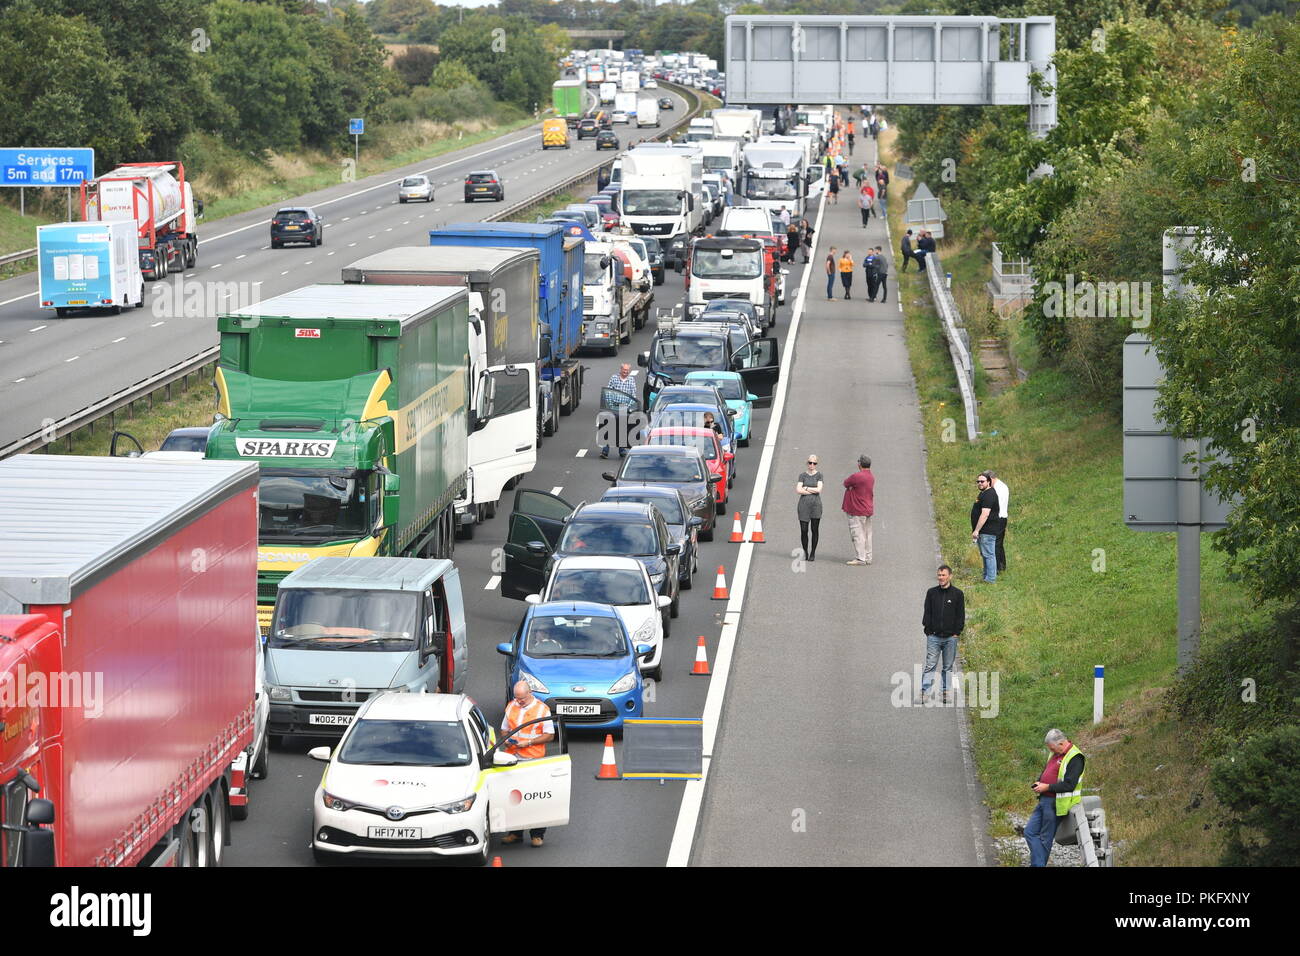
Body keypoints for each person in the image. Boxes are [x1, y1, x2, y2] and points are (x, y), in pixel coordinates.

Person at [500, 679, 556, 848]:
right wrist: (507, 740)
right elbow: (504, 728)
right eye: (517, 698)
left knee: (535, 798)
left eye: (522, 698)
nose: (519, 701)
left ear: (530, 693)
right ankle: (515, 833)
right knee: (514, 798)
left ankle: (537, 835)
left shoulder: (542, 710)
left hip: (533, 760)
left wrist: (529, 743)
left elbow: (550, 735)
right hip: (513, 759)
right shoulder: (511, 706)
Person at [1025, 729, 1086, 867]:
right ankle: (1038, 863)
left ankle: (1037, 865)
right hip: (1044, 799)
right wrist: (1039, 782)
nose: (1051, 751)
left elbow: (1069, 784)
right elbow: (1048, 771)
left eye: (1052, 748)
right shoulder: (1055, 753)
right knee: (1029, 831)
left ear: (1061, 743)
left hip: (1056, 803)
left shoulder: (1075, 758)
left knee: (1045, 838)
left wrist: (1047, 787)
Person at [919, 565, 965, 703]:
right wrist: (927, 630)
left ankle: (945, 691)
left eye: (943, 575)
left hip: (951, 638)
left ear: (950, 576)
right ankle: (925, 692)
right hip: (933, 636)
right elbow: (927, 612)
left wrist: (957, 632)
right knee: (930, 665)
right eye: (939, 575)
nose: (941, 578)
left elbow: (960, 615)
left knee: (947, 667)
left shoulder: (958, 594)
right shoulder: (931, 593)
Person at [842, 454, 875, 565]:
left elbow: (846, 483)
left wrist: (851, 488)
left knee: (857, 534)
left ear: (859, 464)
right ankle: (868, 557)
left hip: (857, 509)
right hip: (867, 508)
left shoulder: (857, 476)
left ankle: (860, 558)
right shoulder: (871, 476)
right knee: (867, 534)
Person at [600, 363, 637, 459]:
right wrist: (610, 404)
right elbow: (608, 391)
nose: (625, 372)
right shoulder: (614, 378)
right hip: (613, 407)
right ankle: (605, 450)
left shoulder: (631, 380)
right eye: (624, 370)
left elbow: (633, 395)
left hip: (624, 407)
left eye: (627, 371)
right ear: (620, 369)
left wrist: (628, 407)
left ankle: (622, 450)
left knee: (622, 429)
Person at [971, 472, 1001, 582]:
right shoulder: (984, 493)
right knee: (985, 554)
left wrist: (976, 530)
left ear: (988, 482)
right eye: (978, 481)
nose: (979, 483)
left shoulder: (989, 494)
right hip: (984, 531)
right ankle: (986, 577)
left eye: (982, 481)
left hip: (987, 530)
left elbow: (985, 514)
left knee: (989, 555)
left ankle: (990, 579)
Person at [796, 454, 824, 561]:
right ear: (807, 463)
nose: (812, 465)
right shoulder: (802, 475)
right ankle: (805, 551)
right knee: (804, 530)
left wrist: (806, 488)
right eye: (810, 463)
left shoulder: (819, 475)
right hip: (804, 505)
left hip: (816, 505)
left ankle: (812, 552)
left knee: (814, 529)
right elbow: (798, 490)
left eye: (814, 463)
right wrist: (812, 489)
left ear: (816, 464)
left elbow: (819, 490)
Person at [989, 469, 1010, 572]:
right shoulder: (1002, 486)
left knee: (996, 544)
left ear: (991, 478)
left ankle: (997, 567)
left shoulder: (997, 488)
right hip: (1003, 517)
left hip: (999, 517)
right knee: (999, 543)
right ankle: (1002, 565)